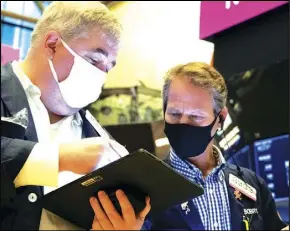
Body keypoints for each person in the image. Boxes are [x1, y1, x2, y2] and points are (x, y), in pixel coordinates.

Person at [1, 1, 150, 230]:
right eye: (93, 60)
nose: (101, 76)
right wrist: (58, 159)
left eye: (108, 67)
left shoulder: (97, 136)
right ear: (52, 45)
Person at [143, 62, 288, 230]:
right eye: (174, 114)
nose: (183, 124)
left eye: (195, 116)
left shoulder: (253, 185)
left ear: (220, 118)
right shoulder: (146, 190)